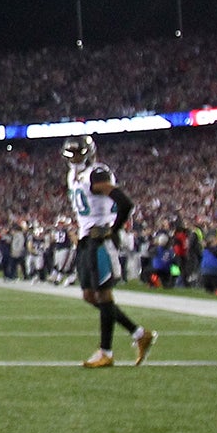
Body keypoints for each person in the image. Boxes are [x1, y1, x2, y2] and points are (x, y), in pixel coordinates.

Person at [62, 137, 154, 368]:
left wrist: (113, 229)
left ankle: (106, 351)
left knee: (104, 296)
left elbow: (125, 203)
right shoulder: (74, 177)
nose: (74, 159)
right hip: (85, 240)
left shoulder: (97, 174)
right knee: (90, 296)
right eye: (70, 154)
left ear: (89, 153)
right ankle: (139, 333)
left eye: (78, 154)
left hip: (99, 240)